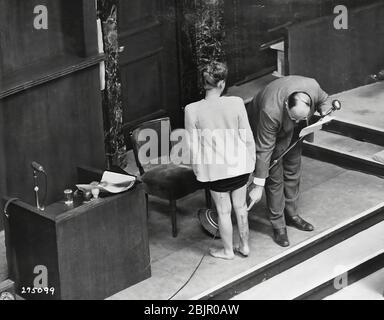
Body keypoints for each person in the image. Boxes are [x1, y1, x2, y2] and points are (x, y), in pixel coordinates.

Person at [247, 75, 331, 247]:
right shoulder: (269, 111)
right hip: (269, 129)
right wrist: (258, 184)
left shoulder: (312, 87)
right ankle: (278, 225)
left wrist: (325, 112)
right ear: (287, 105)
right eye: (295, 118)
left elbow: (324, 99)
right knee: (275, 177)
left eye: (302, 118)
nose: (298, 121)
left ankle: (291, 215)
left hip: (294, 131)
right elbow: (264, 149)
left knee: (293, 169)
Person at [184, 62, 256, 260]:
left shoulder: (192, 109)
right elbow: (247, 136)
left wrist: (199, 171)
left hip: (216, 171)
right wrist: (251, 161)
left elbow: (193, 146)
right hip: (240, 166)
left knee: (224, 212)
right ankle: (245, 246)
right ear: (222, 83)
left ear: (203, 83)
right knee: (241, 208)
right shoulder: (236, 102)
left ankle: (228, 251)